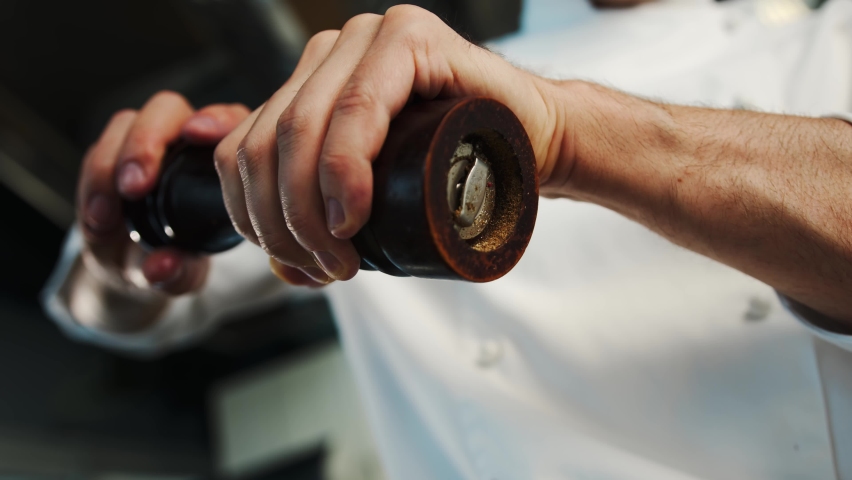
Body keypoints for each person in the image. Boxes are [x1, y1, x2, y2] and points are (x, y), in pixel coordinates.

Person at [43, 0, 852, 477]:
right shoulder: (389, 96)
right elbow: (119, 309)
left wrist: (569, 135)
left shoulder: (829, 42)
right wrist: (119, 252)